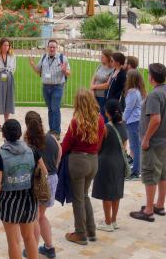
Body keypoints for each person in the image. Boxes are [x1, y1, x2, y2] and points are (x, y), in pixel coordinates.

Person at [129, 63, 166, 223]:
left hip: (155, 142)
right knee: (164, 172)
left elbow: (155, 119)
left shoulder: (154, 96)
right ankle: (160, 205)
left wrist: (146, 139)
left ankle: (149, 210)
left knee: (150, 173)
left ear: (152, 77)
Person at [0, 119, 44, 259]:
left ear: (3, 134)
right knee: (29, 237)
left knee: (14, 242)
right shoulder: (32, 151)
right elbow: (43, 172)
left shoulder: (0, 156)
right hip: (29, 199)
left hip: (9, 202)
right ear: (20, 133)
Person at [61, 89, 105, 245]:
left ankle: (80, 233)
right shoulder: (100, 119)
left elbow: (66, 145)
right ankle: (91, 229)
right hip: (93, 161)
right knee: (84, 196)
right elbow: (101, 139)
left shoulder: (76, 122)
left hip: (78, 162)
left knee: (78, 199)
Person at [24, 111, 60, 259]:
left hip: (39, 182)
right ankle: (49, 247)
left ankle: (33, 250)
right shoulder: (51, 138)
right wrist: (55, 168)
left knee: (35, 218)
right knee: (41, 216)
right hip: (52, 178)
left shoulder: (29, 143)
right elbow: (60, 151)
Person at [92, 99, 128, 232]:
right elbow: (124, 147)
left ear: (107, 113)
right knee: (116, 191)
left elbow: (98, 146)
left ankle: (107, 222)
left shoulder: (106, 128)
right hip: (119, 162)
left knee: (106, 193)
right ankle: (113, 220)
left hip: (106, 163)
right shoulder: (124, 126)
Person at [30, 39, 71, 139]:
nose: (52, 49)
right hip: (46, 87)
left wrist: (65, 70)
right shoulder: (44, 57)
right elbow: (38, 71)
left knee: (55, 109)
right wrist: (32, 64)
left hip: (57, 87)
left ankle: (56, 131)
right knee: (50, 109)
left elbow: (69, 74)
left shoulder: (62, 58)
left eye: (54, 47)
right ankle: (52, 129)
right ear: (47, 48)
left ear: (57, 48)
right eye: (50, 47)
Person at [123, 69, 147, 180]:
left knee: (135, 146)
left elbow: (128, 108)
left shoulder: (132, 92)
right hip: (137, 120)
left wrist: (123, 119)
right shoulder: (139, 91)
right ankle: (138, 168)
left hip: (133, 121)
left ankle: (136, 171)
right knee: (137, 146)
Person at [0, 38, 16, 131]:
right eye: (4, 45)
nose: (6, 47)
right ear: (0, 46)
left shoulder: (12, 56)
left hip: (9, 80)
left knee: (8, 100)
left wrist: (8, 73)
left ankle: (6, 123)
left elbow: (14, 68)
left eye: (8, 45)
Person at [90, 49, 114, 117]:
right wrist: (92, 92)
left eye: (103, 57)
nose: (101, 58)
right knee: (93, 115)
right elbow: (93, 78)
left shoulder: (112, 70)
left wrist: (94, 87)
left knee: (103, 116)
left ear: (108, 58)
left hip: (103, 97)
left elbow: (107, 85)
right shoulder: (100, 66)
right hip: (93, 95)